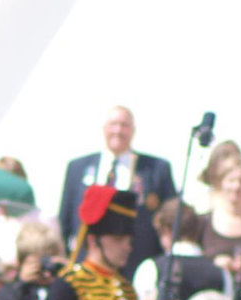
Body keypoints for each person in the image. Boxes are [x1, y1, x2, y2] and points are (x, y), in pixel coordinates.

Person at [56, 105, 176, 277]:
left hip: (136, 265)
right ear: (104, 128)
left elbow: (169, 216)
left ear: (133, 131)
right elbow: (65, 218)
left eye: (124, 125)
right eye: (113, 124)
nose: (118, 131)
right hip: (87, 265)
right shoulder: (78, 167)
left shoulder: (156, 169)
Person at [38, 185, 145, 300]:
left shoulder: (127, 290)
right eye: (118, 239)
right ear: (93, 240)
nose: (127, 247)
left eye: (129, 240)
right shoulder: (68, 285)